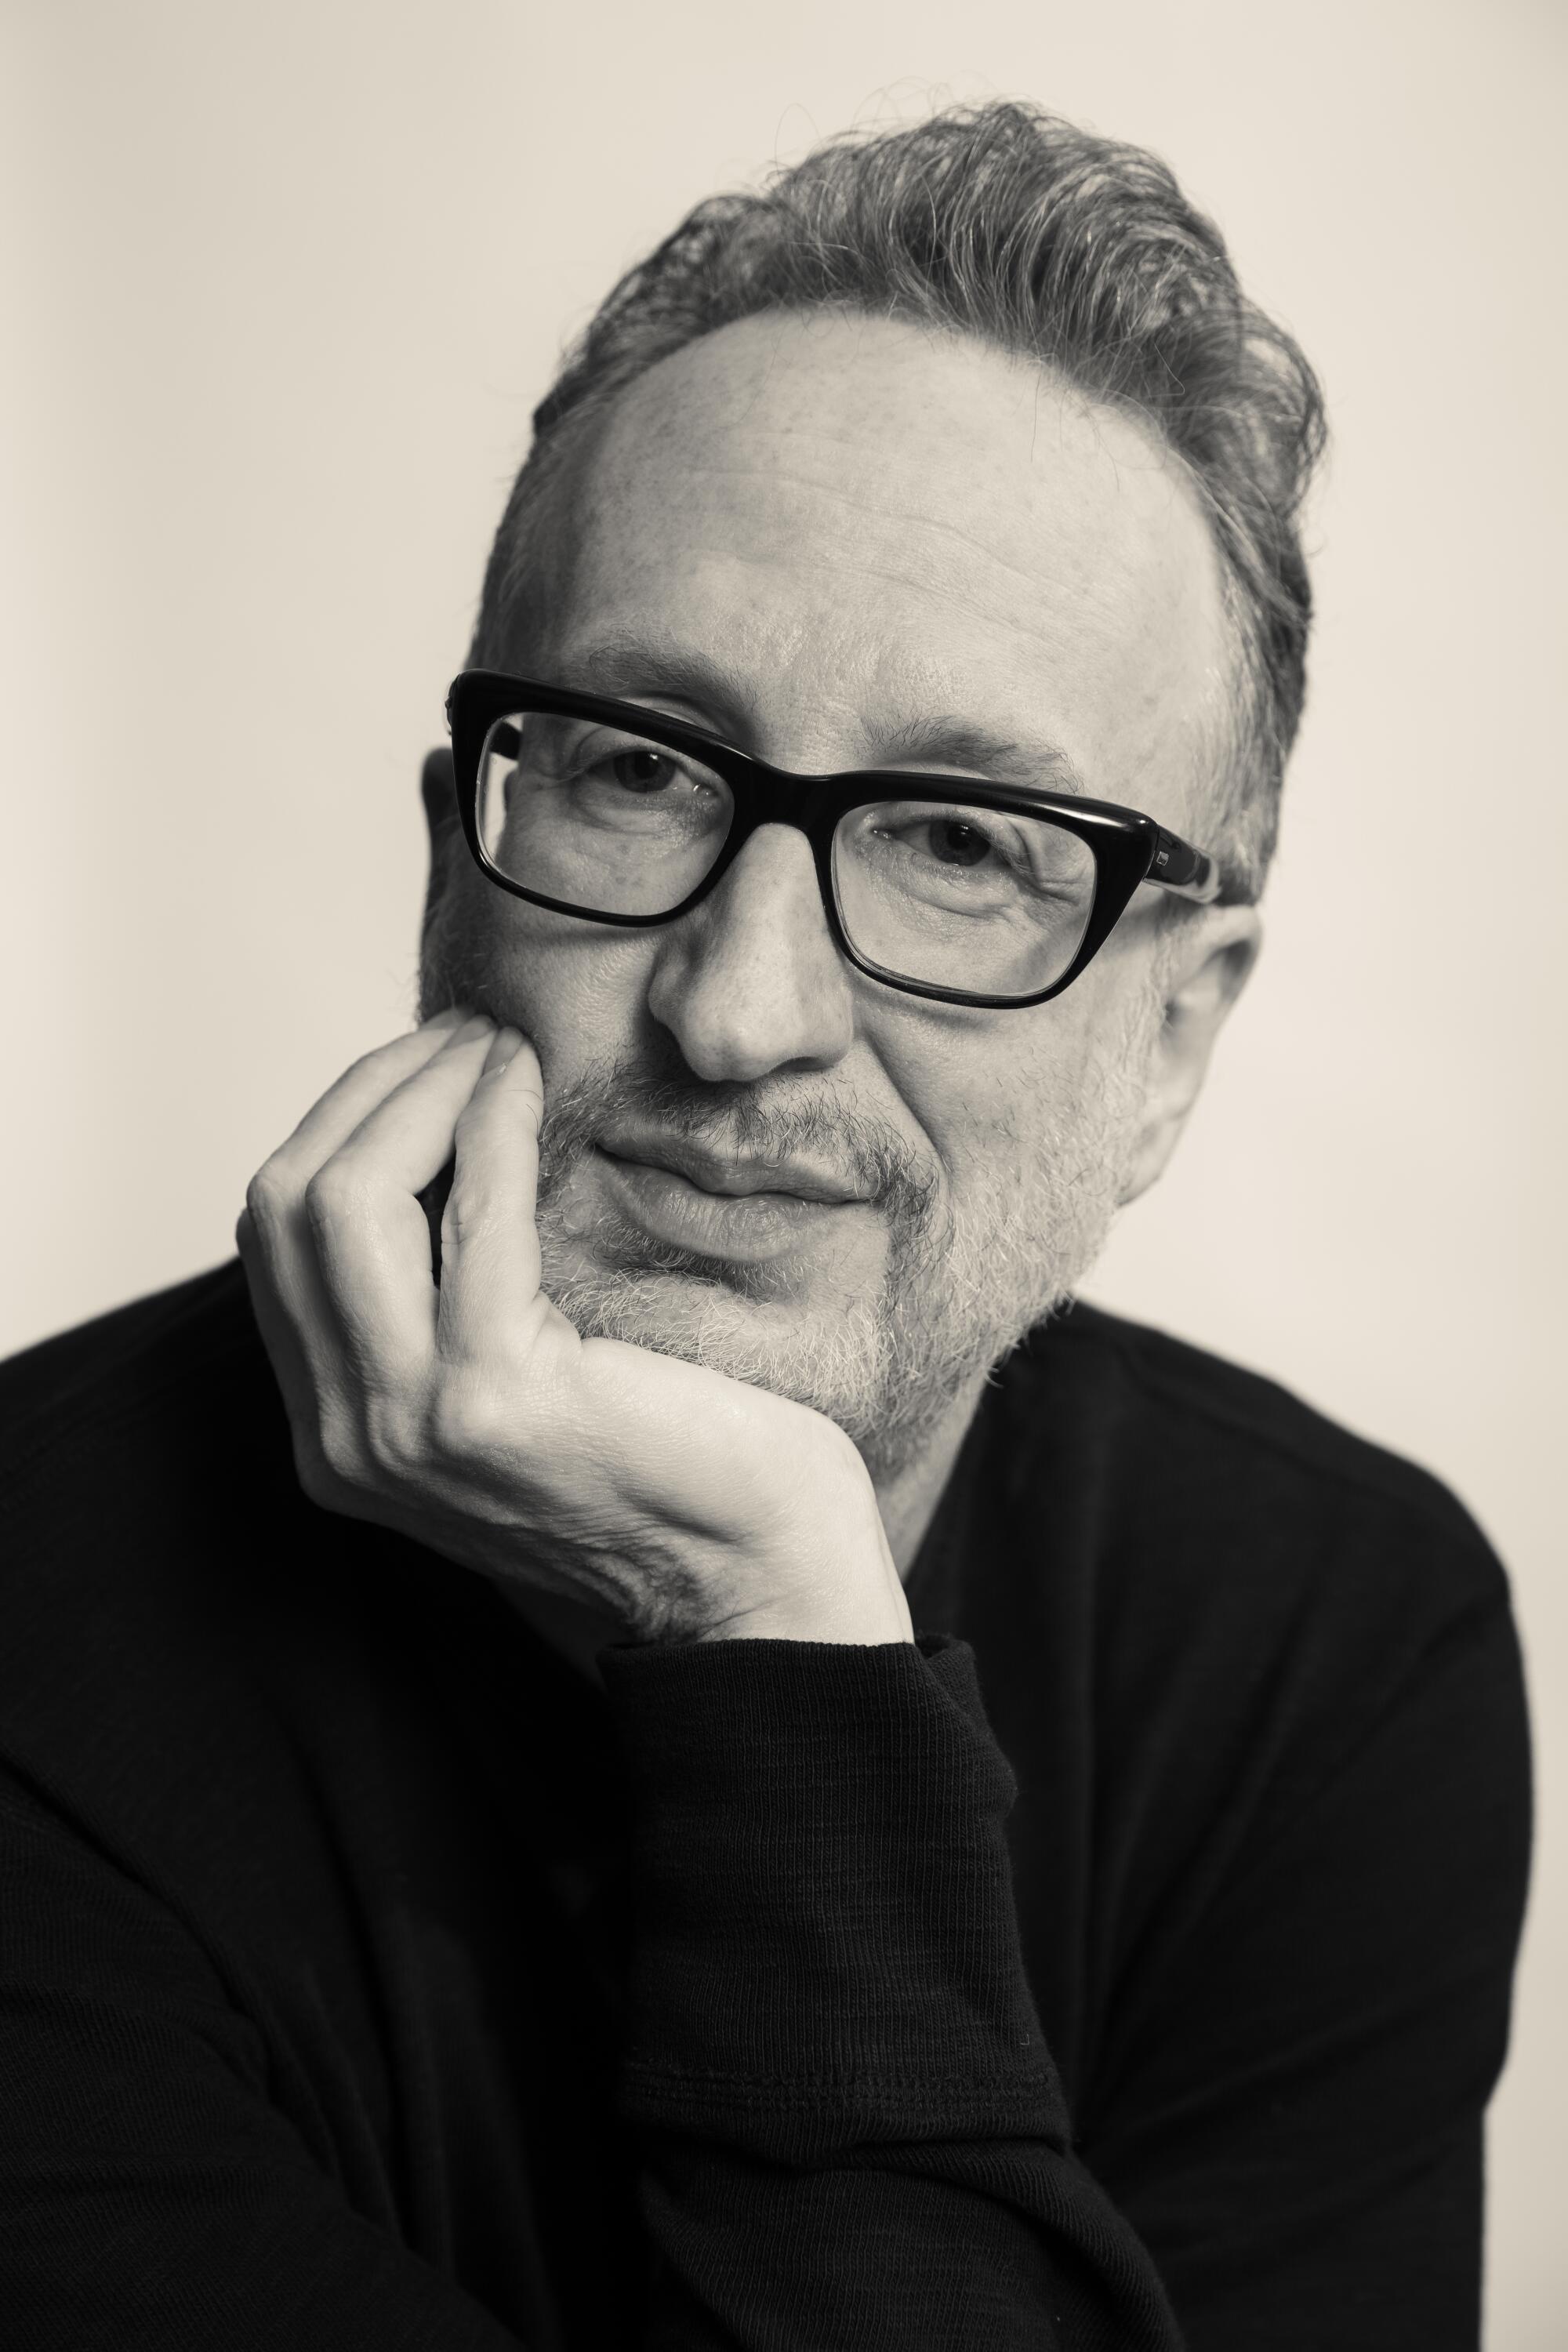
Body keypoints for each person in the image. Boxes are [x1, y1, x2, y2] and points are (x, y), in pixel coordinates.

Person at [0, 100, 1530, 2351]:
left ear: (1174, 1042)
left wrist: (766, 1619)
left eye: (961, 845)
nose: (740, 1011)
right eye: (638, 771)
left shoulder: (1334, 1643)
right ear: (457, 864)